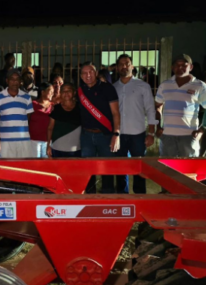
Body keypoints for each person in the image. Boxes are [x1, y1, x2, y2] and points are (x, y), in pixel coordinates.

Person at [112, 54, 157, 194]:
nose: (124, 66)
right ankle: (122, 197)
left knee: (139, 169)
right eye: (120, 64)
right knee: (120, 169)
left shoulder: (143, 86)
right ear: (117, 68)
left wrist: (151, 133)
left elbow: (150, 110)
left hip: (137, 134)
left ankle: (140, 197)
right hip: (119, 134)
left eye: (127, 63)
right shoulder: (113, 88)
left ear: (132, 66)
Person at [154, 54, 206, 159]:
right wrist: (158, 127)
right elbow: (158, 106)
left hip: (189, 136)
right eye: (176, 65)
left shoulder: (200, 86)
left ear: (190, 67)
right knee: (167, 168)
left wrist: (201, 130)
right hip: (167, 136)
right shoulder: (165, 85)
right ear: (172, 68)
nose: (180, 67)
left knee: (188, 169)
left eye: (184, 65)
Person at [75, 62, 120, 193]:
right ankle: (89, 198)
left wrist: (116, 134)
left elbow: (116, 113)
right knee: (88, 171)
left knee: (107, 170)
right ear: (80, 75)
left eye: (90, 72)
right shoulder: (80, 91)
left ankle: (108, 199)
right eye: (84, 73)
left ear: (95, 73)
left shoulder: (108, 88)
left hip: (105, 135)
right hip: (86, 136)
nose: (87, 75)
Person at [0, 70, 35, 159]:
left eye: (17, 79)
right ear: (7, 81)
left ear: (20, 82)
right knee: (7, 169)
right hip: (5, 141)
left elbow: (28, 118)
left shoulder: (26, 97)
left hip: (23, 140)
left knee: (24, 168)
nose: (15, 82)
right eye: (12, 79)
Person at [47, 84, 82, 159]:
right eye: (63, 91)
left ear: (74, 92)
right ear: (60, 93)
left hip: (75, 150)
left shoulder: (80, 108)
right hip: (57, 149)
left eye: (69, 90)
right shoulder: (56, 109)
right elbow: (50, 128)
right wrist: (48, 146)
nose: (66, 93)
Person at [28, 84, 54, 159]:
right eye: (50, 91)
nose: (52, 93)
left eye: (53, 91)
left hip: (48, 141)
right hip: (34, 140)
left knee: (46, 165)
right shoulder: (33, 104)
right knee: (35, 164)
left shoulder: (53, 106)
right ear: (43, 92)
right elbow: (27, 120)